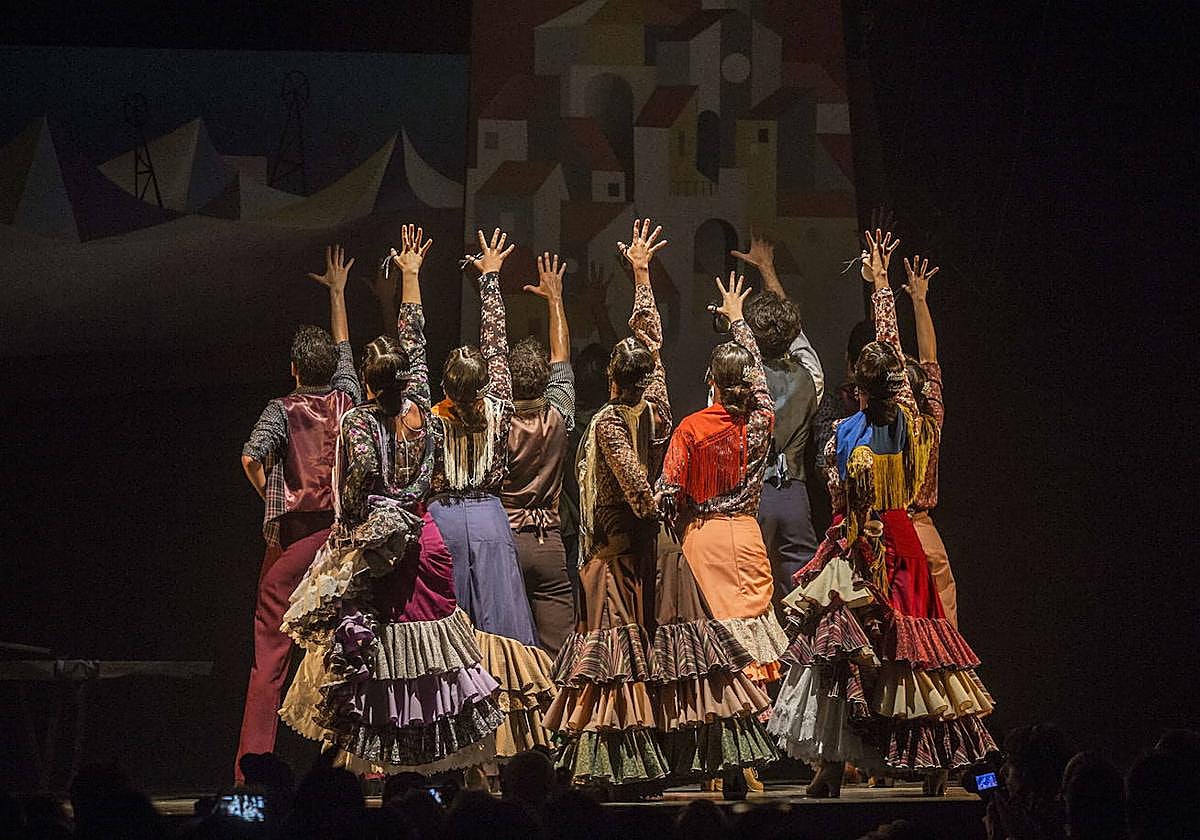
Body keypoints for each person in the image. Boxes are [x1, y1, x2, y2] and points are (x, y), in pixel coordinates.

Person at [769, 229, 996, 797]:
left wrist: (879, 289)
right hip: (916, 540)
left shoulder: (845, 434)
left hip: (864, 544)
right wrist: (903, 295)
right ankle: (941, 761)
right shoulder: (923, 422)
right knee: (924, 651)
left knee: (847, 652)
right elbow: (920, 360)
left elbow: (846, 501)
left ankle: (830, 765)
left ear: (857, 387)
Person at [279, 226, 504, 774]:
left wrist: (356, 531)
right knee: (429, 651)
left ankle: (378, 760)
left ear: (369, 381)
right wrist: (410, 277)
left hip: (376, 542)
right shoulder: (423, 412)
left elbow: (354, 493)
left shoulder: (359, 420)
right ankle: (433, 758)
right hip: (422, 537)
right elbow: (416, 343)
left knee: (373, 651)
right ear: (406, 379)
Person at [545, 218, 672, 794]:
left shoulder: (610, 424)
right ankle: (629, 765)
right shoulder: (654, 412)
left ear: (612, 382)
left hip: (617, 554)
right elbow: (653, 352)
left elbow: (638, 493)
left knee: (615, 660)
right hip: (637, 553)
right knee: (629, 657)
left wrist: (649, 511)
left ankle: (623, 770)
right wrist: (641, 278)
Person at [234, 244, 363, 781]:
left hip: (293, 543)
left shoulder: (280, 410)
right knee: (350, 649)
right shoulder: (347, 400)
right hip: (340, 547)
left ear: (292, 370)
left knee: (270, 657)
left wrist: (274, 497)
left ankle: (251, 769)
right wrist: (338, 293)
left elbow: (248, 457)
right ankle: (360, 764)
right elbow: (347, 351)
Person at [428, 228, 556, 764]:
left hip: (445, 521)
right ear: (482, 386)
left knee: (451, 636)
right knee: (500, 632)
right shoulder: (499, 406)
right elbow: (496, 343)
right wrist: (490, 280)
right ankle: (509, 750)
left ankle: (455, 746)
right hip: (489, 518)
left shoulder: (430, 419)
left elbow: (415, 357)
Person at [653, 271, 781, 794]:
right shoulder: (763, 421)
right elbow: (763, 385)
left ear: (711, 380)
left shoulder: (690, 428)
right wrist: (738, 322)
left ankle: (714, 760)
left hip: (703, 538)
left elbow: (666, 491)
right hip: (746, 537)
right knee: (750, 649)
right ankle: (745, 760)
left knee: (713, 653)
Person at [730, 232, 825, 602]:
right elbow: (795, 334)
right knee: (802, 595)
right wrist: (769, 270)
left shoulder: (742, 380)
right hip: (795, 498)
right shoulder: (811, 375)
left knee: (753, 595)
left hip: (753, 497)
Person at [501, 253, 577, 656]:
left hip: (507, 539)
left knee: (507, 652)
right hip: (549, 540)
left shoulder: (497, 422)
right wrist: (555, 300)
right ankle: (557, 720)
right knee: (559, 654)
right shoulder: (560, 412)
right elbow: (562, 356)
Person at [901, 255, 958, 627]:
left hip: (899, 536)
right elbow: (930, 358)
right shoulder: (931, 415)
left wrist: (881, 288)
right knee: (946, 633)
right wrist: (920, 300)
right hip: (928, 534)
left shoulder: (892, 425)